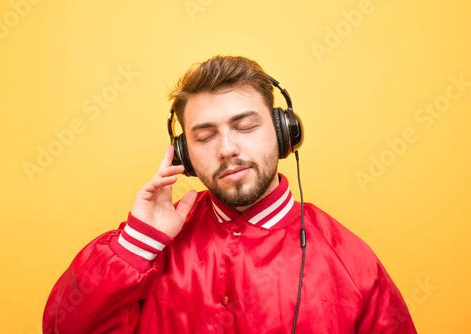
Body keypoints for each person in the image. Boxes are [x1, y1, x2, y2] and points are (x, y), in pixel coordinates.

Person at [43, 55, 417, 333]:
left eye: (245, 126)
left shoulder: (352, 262)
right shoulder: (147, 248)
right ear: (185, 154)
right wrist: (137, 243)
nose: (227, 148)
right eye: (204, 136)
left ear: (283, 132)